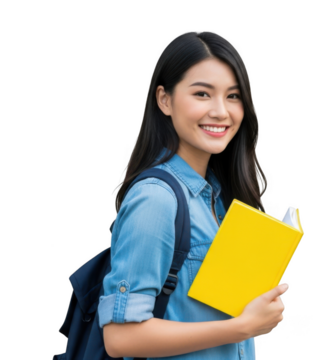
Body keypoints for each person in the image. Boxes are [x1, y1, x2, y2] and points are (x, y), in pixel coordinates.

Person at [100, 31, 289, 359]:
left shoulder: (217, 195)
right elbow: (121, 338)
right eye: (202, 94)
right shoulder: (156, 200)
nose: (221, 112)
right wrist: (242, 326)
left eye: (233, 96)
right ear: (165, 100)